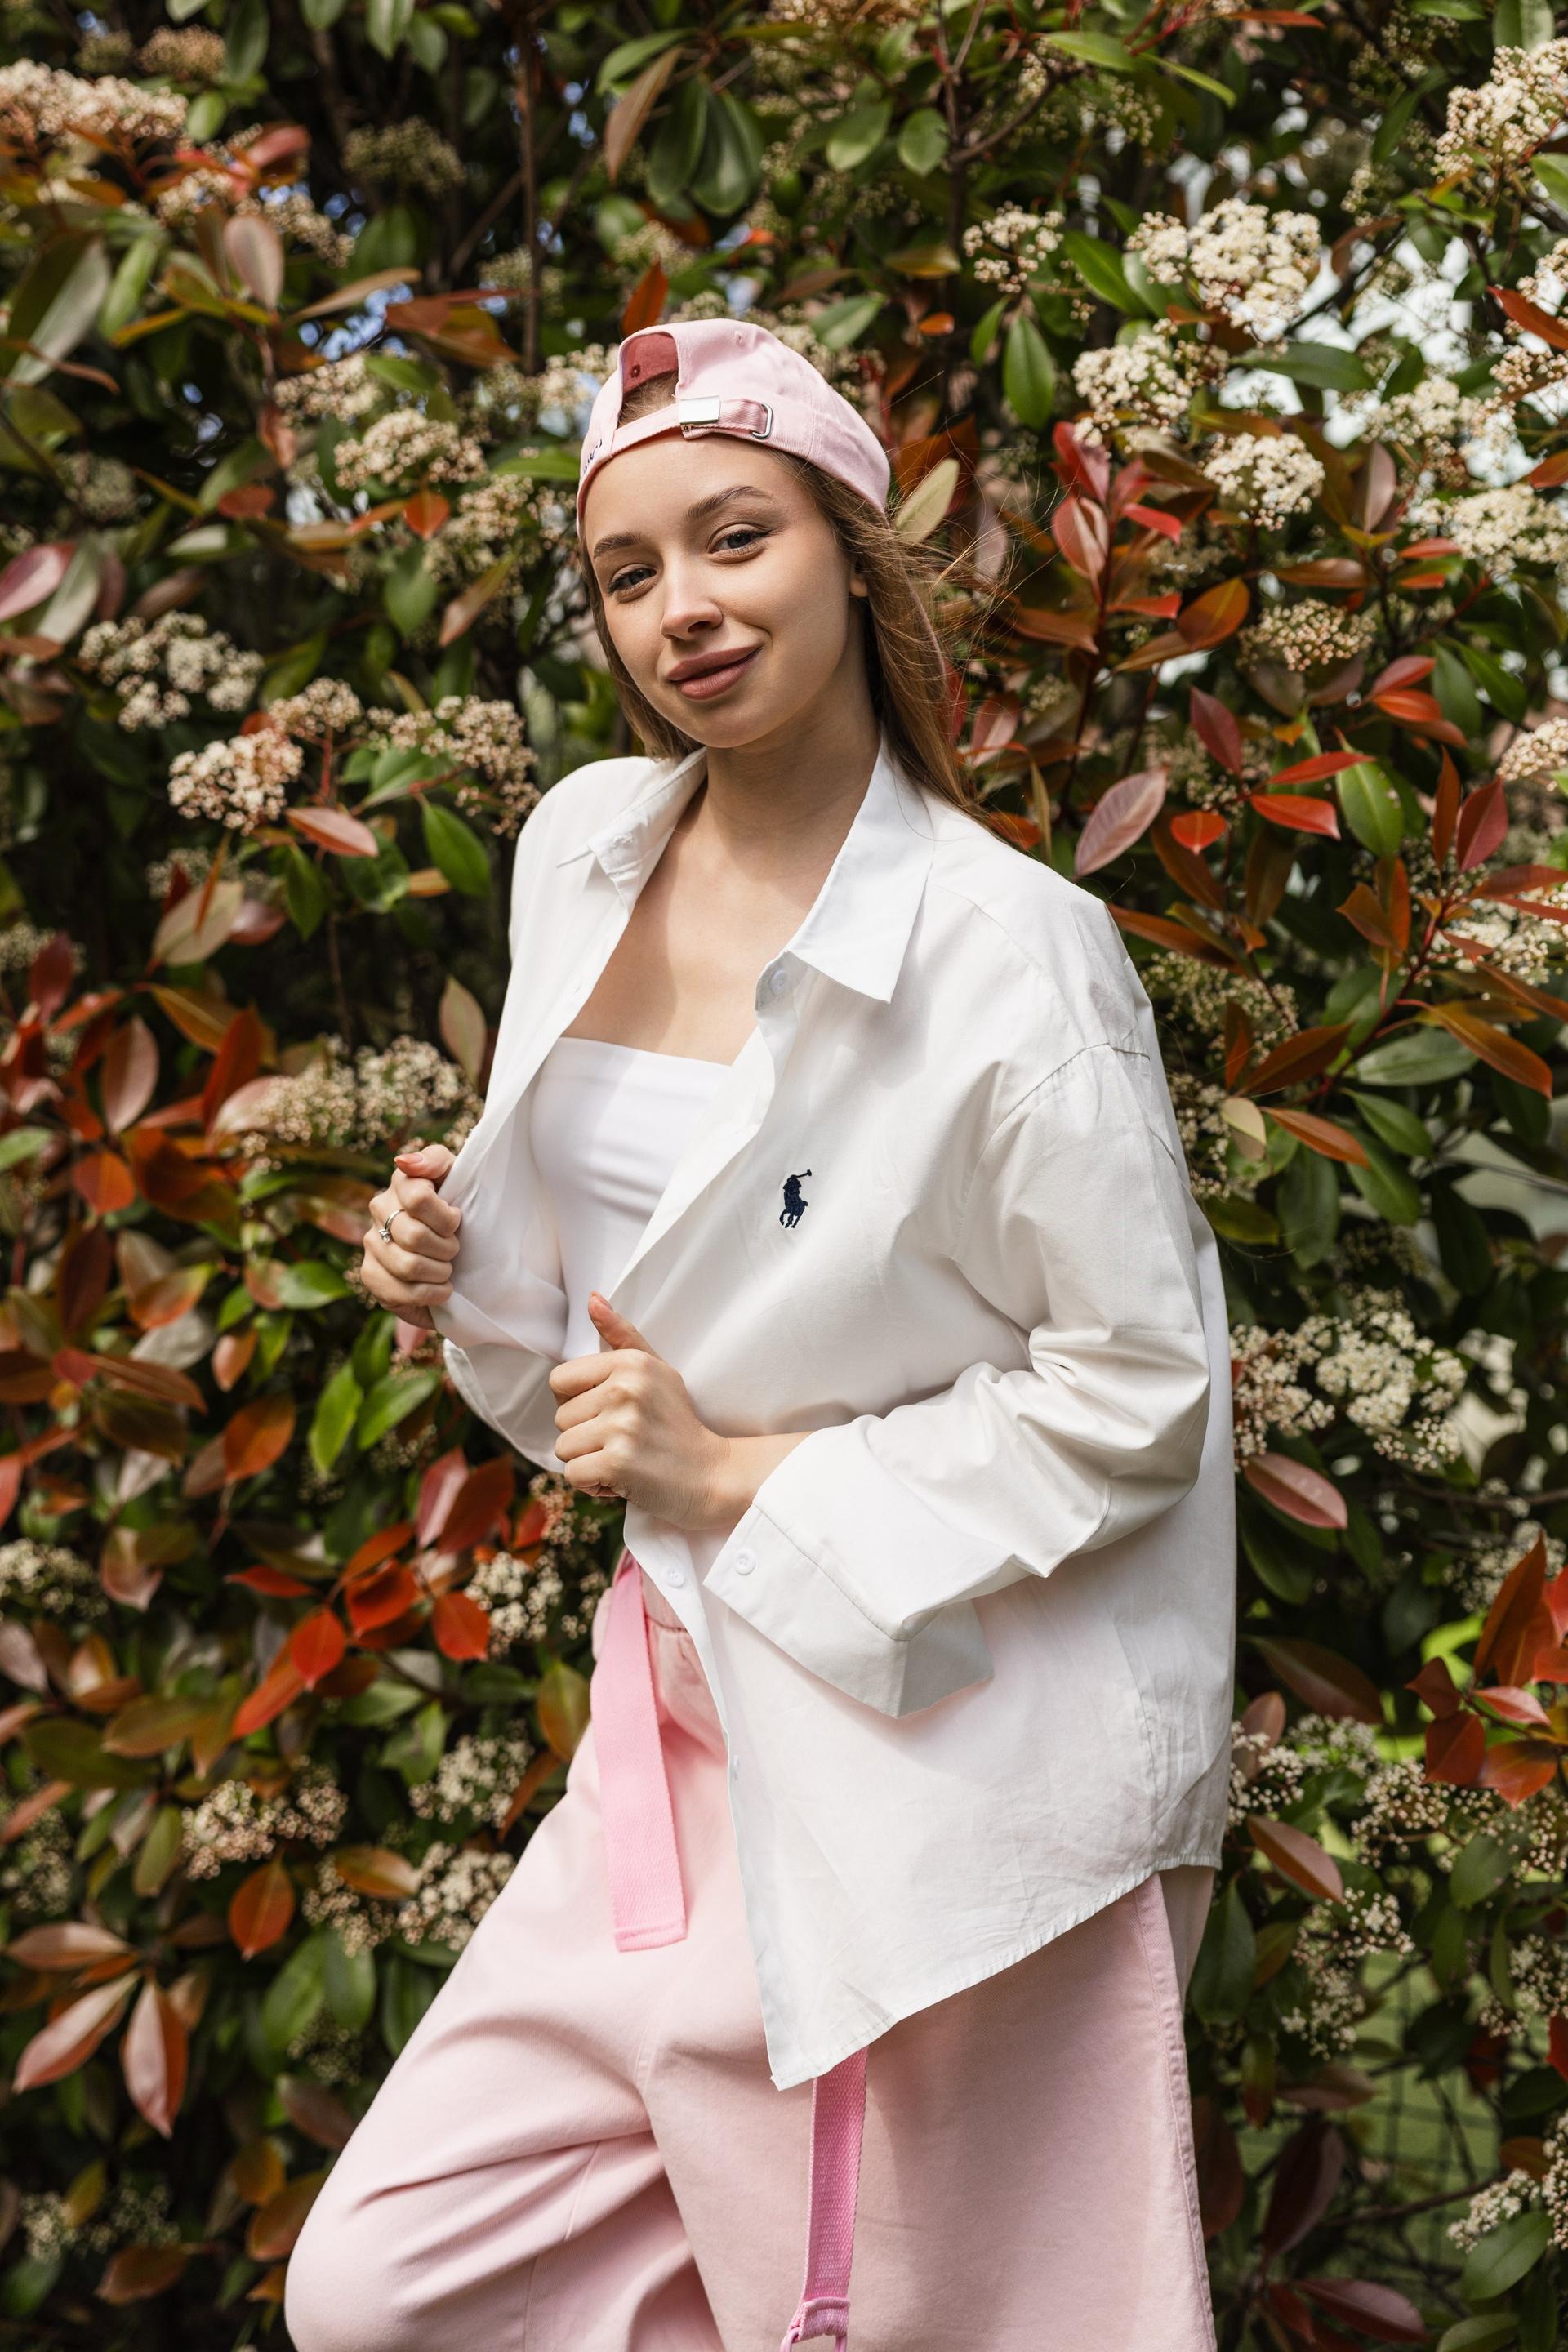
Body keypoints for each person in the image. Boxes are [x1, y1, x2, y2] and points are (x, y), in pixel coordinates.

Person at [285, 318, 1235, 2352]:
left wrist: (744, 1475)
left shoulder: (1013, 950)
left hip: (933, 1733)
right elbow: (630, 1291)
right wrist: (462, 1272)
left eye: (736, 539)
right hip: (677, 1711)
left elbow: (1143, 1388)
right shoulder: (580, 847)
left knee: (903, 2320)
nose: (684, 611)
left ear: (852, 554)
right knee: (379, 2287)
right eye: (629, 573)